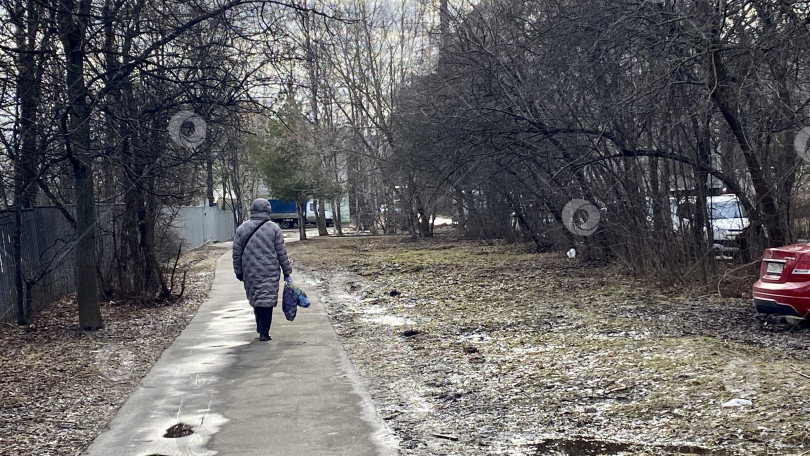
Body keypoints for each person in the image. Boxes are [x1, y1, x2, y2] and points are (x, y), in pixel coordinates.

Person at [232, 198, 293, 341]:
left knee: (257, 298)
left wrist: (238, 271)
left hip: (250, 270)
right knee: (267, 299)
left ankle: (261, 327)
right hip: (270, 270)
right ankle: (264, 331)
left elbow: (236, 253)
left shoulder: (242, 228)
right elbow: (281, 252)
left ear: (252, 210)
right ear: (268, 210)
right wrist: (286, 270)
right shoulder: (273, 228)